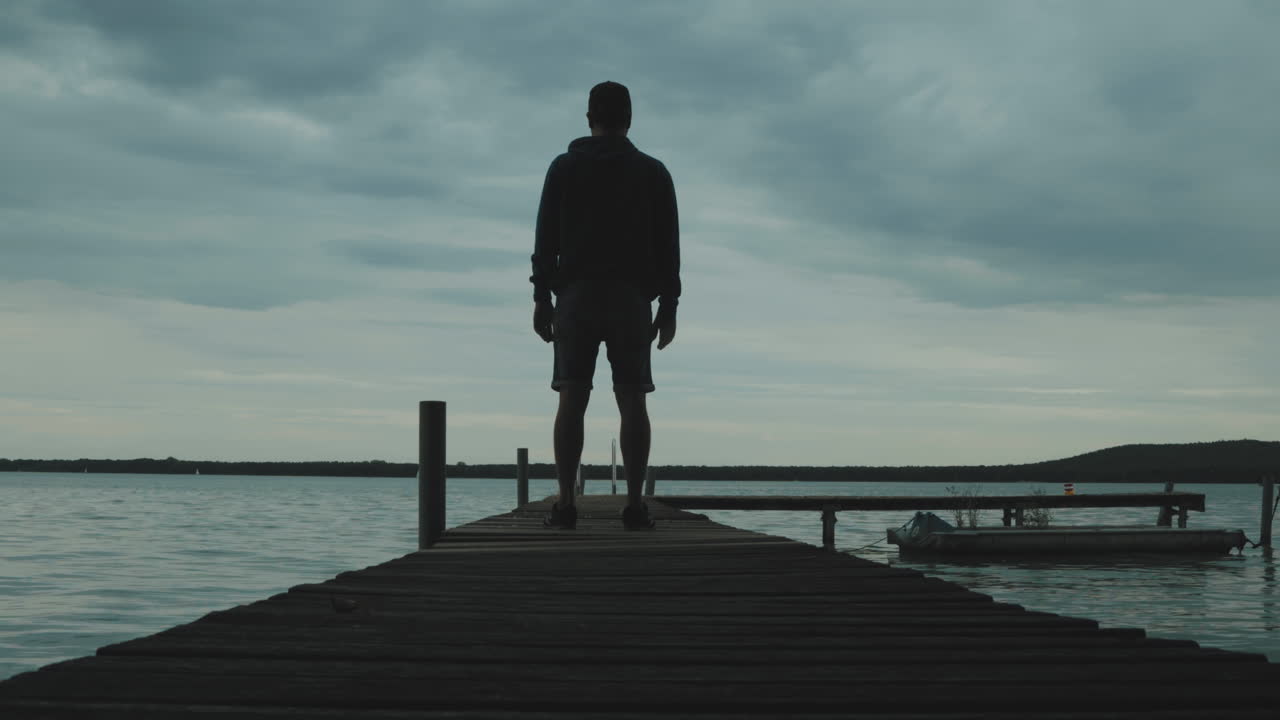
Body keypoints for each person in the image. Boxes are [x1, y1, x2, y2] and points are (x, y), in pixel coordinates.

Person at [530, 81, 680, 530]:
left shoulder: (563, 168)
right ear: (629, 119)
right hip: (631, 299)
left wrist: (541, 298)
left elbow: (545, 239)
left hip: (575, 296)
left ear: (589, 117)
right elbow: (669, 247)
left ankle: (565, 504)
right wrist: (669, 305)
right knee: (633, 399)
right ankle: (634, 505)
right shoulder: (653, 173)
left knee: (571, 396)